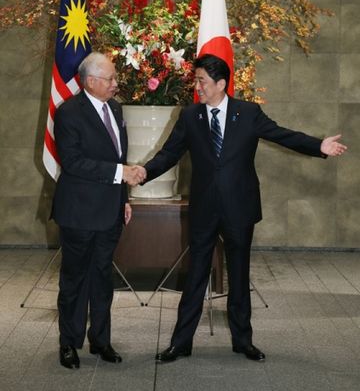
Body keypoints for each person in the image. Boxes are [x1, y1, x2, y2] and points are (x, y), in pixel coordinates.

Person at [140, 53, 347, 363]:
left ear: (221, 84)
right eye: (196, 80)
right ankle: (180, 343)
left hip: (239, 207)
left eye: (202, 81)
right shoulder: (190, 116)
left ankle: (243, 341)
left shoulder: (248, 113)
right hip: (204, 209)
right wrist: (143, 173)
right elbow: (168, 154)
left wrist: (318, 145)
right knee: (196, 275)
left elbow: (282, 135)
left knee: (239, 275)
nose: (197, 87)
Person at [51, 52, 145, 369]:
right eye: (111, 79)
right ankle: (69, 343)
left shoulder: (115, 109)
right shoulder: (69, 113)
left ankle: (100, 341)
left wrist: (125, 198)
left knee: (103, 279)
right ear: (91, 81)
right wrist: (122, 175)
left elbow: (120, 156)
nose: (116, 84)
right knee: (75, 280)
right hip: (78, 213)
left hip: (110, 212)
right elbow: (74, 163)